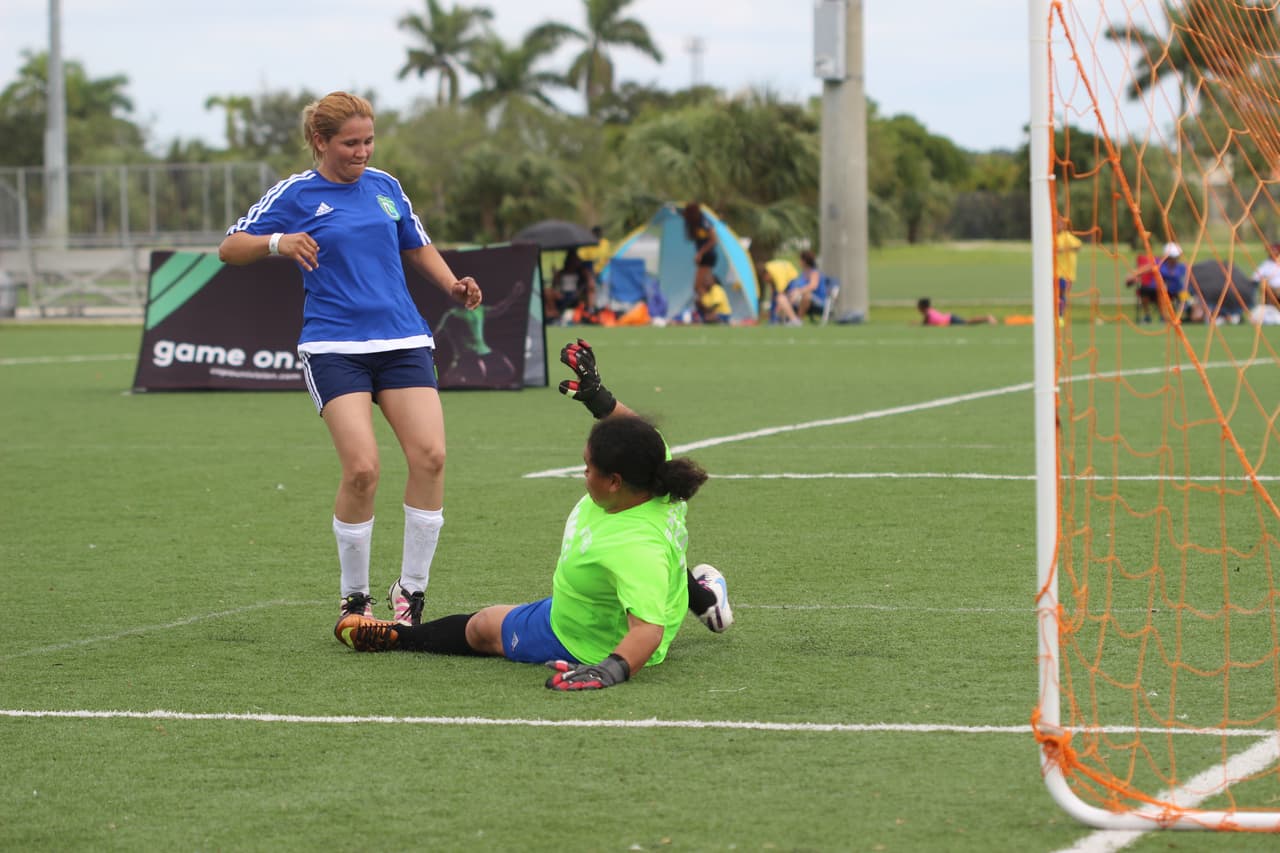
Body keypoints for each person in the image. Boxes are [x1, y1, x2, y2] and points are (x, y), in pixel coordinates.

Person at [218, 91, 483, 629]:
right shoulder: (296, 193)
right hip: (334, 346)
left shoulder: (386, 187)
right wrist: (278, 243)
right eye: (350, 143)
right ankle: (355, 599)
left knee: (430, 457)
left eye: (368, 140)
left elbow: (416, 243)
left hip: (403, 339)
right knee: (362, 469)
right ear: (321, 141)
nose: (362, 152)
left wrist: (452, 284)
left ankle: (411, 593)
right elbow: (230, 247)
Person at [333, 338, 734, 690]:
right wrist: (599, 398)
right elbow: (637, 431)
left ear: (614, 481)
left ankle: (401, 637)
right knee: (658, 571)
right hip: (600, 604)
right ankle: (704, 597)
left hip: (582, 638)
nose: (583, 474)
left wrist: (608, 670)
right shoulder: (653, 471)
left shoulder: (634, 549)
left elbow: (647, 631)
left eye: (588, 468)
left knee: (484, 628)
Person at [544, 248, 596, 324]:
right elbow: (554, 286)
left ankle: (555, 315)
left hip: (573, 295)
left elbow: (588, 284)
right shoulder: (561, 272)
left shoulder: (580, 273)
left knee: (548, 292)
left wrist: (578, 292)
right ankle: (552, 315)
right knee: (547, 292)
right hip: (562, 294)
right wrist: (555, 276)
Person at [682, 201, 718, 305]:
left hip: (708, 257)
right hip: (704, 258)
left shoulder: (704, 222)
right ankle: (709, 309)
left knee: (698, 286)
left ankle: (709, 308)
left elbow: (714, 240)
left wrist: (700, 253)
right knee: (706, 286)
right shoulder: (695, 223)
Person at [785, 250, 828, 321]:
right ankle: (785, 320)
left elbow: (813, 286)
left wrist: (798, 292)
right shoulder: (802, 274)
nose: (799, 261)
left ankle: (798, 320)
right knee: (784, 297)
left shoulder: (814, 273)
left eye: (800, 259)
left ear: (804, 261)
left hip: (818, 301)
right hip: (801, 299)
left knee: (806, 295)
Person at [1055, 216, 1082, 321]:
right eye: (1057, 223)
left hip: (1066, 273)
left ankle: (1060, 315)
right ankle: (1056, 315)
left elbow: (1078, 246)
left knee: (1061, 293)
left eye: (1060, 223)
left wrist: (1065, 249)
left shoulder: (1067, 237)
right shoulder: (1052, 237)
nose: (1058, 225)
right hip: (1055, 271)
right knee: (1055, 294)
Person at [1123, 249, 1161, 323]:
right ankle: (1147, 316)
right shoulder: (1148, 261)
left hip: (1164, 290)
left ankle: (1164, 317)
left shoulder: (1160, 262)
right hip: (1149, 289)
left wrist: (1136, 273)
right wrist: (1134, 276)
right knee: (1144, 291)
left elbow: (1151, 266)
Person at [1158, 242, 1189, 322]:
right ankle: (1166, 317)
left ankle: (1184, 315)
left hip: (1181, 292)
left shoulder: (1181, 267)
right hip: (1166, 293)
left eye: (1176, 257)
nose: (1175, 259)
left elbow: (1184, 278)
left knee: (1188, 300)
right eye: (1172, 257)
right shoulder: (1161, 267)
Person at [917, 298, 995, 326]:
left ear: (922, 306)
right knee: (967, 322)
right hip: (950, 319)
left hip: (950, 320)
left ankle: (987, 318)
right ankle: (987, 318)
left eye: (918, 306)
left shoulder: (927, 313)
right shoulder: (929, 311)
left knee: (967, 322)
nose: (917, 308)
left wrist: (916, 324)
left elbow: (925, 324)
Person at [1252, 242, 1280, 308]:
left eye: (1274, 251)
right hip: (1271, 290)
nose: (1271, 253)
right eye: (1270, 251)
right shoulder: (1266, 264)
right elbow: (1255, 277)